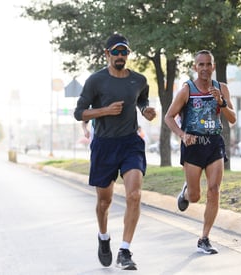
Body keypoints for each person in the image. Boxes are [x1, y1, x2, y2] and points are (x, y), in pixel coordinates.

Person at [74, 33, 156, 270]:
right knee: (104, 201)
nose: (120, 56)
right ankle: (103, 237)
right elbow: (79, 113)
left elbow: (142, 98)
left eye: (124, 52)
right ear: (107, 54)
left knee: (134, 195)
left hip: (130, 142)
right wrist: (105, 111)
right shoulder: (95, 81)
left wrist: (145, 109)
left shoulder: (138, 79)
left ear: (128, 54)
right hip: (104, 145)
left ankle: (125, 250)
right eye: (116, 52)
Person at [164, 50, 236, 254]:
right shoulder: (187, 89)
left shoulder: (221, 88)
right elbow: (169, 117)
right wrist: (182, 134)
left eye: (208, 64)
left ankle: (204, 238)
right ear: (195, 67)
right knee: (196, 196)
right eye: (201, 65)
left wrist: (221, 103)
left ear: (213, 66)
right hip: (193, 143)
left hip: (214, 143)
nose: (205, 68)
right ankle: (186, 192)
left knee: (214, 190)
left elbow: (232, 119)